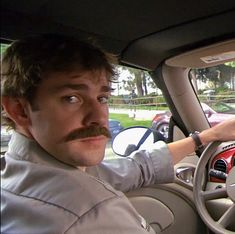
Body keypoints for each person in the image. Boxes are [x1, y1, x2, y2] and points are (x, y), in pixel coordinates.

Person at [1, 34, 235, 234]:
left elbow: (136, 168)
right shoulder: (93, 213)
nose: (99, 117)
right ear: (19, 110)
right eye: (72, 98)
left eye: (102, 98)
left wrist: (206, 136)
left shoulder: (22, 173)